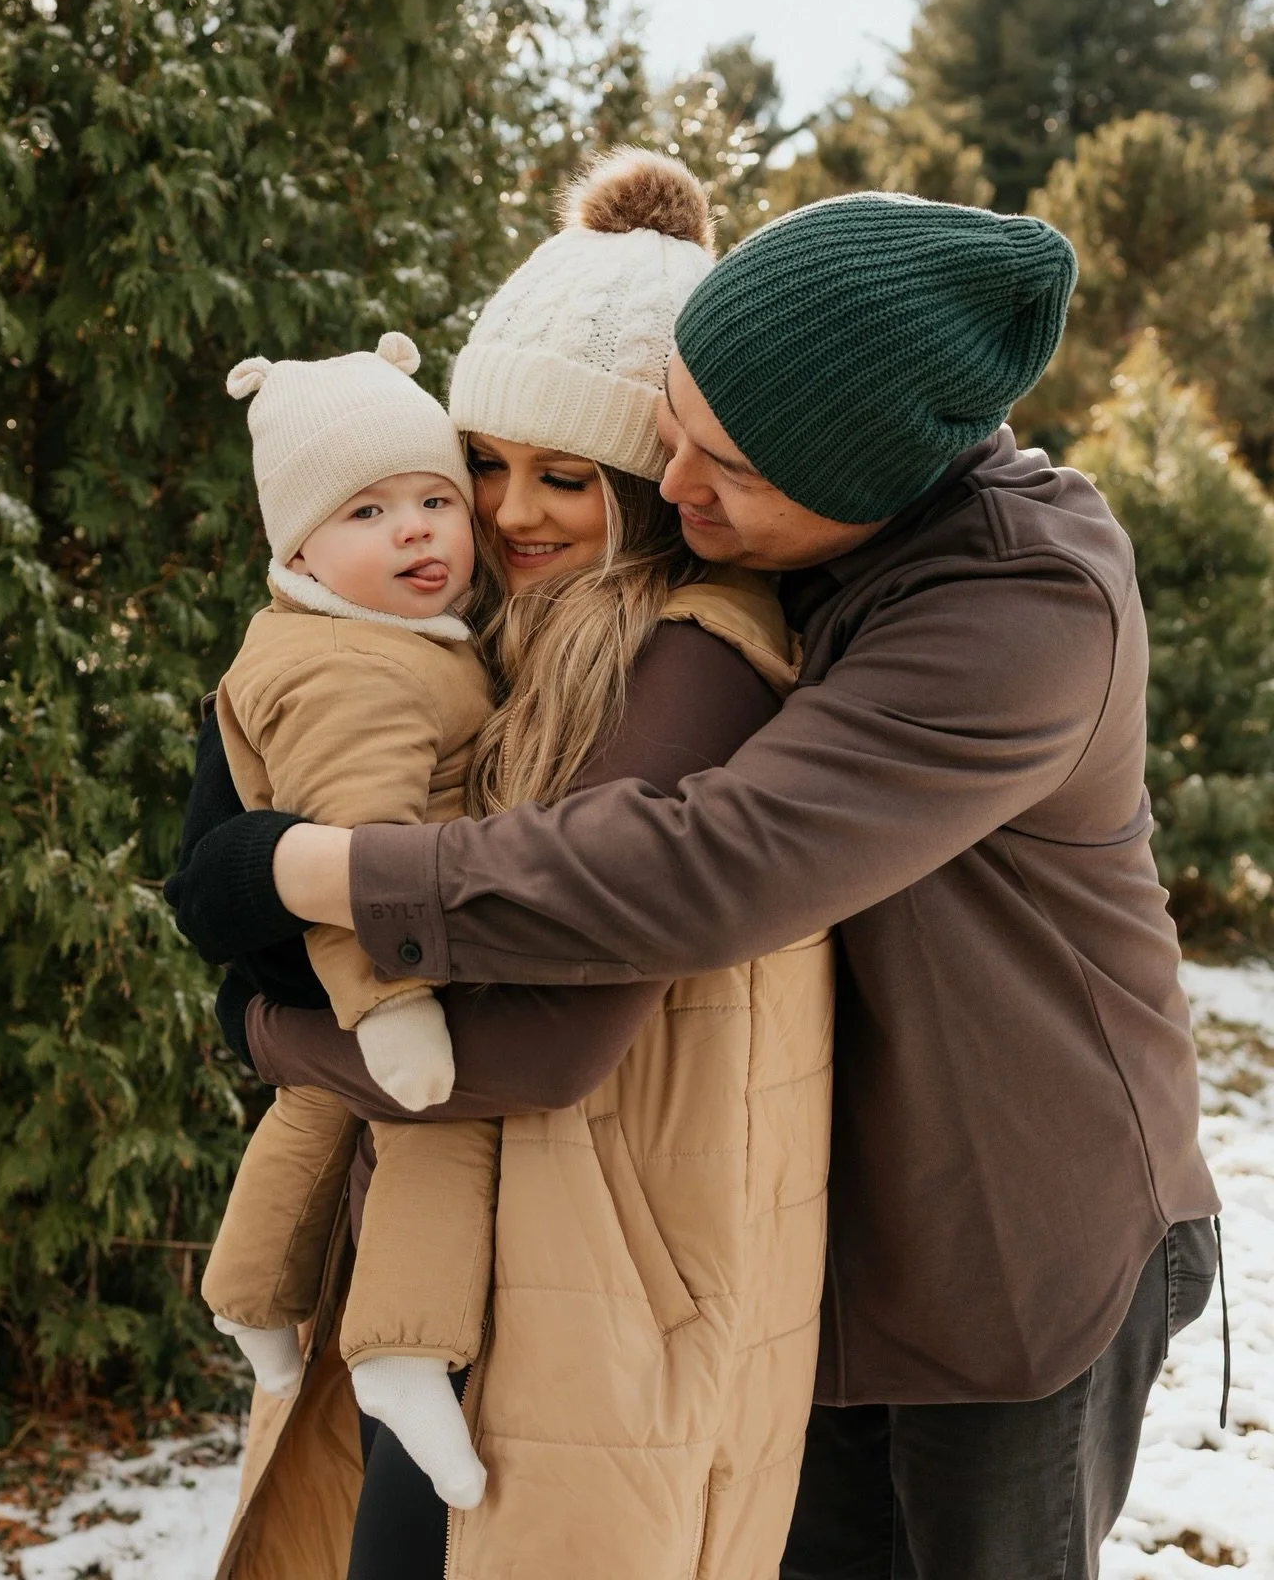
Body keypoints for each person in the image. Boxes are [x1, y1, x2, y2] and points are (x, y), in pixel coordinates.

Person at [179, 189, 1221, 1580]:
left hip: (998, 1256)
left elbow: (700, 867)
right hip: (813, 1241)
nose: (667, 490)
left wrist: (301, 887)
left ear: (868, 477)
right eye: (671, 430)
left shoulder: (1016, 610)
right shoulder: (753, 542)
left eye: (720, 468)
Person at [168, 151, 837, 1580]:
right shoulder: (484, 640)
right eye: (484, 464)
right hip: (467, 1233)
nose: (510, 510)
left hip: (601, 1263)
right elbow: (273, 835)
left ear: (654, 488)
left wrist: (264, 1023)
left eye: (567, 477)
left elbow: (543, 1045)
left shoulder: (691, 662)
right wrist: (239, 849)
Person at [203, 332, 497, 1509]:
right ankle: (404, 1352)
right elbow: (353, 851)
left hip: (365, 963)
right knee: (438, 1116)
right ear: (302, 548)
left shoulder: (367, 636)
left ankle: (254, 1300)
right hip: (397, 965)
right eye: (369, 512)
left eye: (435, 497)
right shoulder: (355, 670)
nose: (418, 529)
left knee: (312, 1106)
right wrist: (393, 1007)